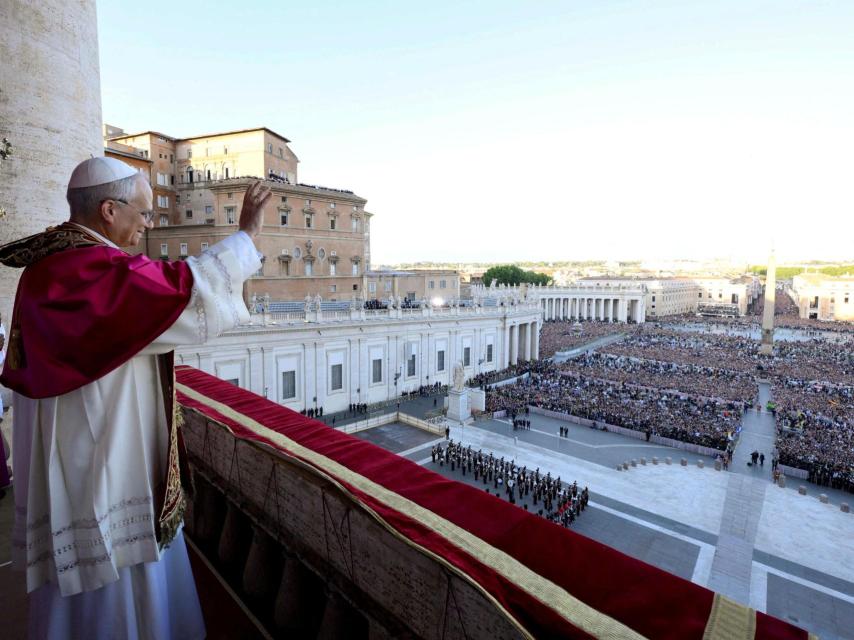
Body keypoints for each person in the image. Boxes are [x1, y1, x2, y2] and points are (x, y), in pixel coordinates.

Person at [0, 157, 270, 639]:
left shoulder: (50, 266)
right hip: (102, 451)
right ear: (108, 209)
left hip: (75, 444)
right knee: (114, 571)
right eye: (143, 214)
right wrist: (246, 235)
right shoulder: (92, 270)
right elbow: (184, 292)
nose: (147, 226)